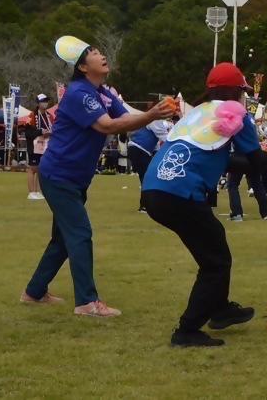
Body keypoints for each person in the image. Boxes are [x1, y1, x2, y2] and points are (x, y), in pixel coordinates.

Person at [21, 35, 174, 317]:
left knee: (63, 238)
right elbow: (108, 126)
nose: (102, 55)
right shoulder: (80, 93)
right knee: (79, 233)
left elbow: (128, 115)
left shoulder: (103, 92)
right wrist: (153, 115)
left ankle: (34, 291)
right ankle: (87, 302)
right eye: (94, 53)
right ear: (82, 67)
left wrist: (162, 114)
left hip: (74, 178)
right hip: (60, 175)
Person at [140, 62, 267, 347]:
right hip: (180, 193)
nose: (244, 97)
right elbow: (255, 160)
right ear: (237, 91)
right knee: (216, 262)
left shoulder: (198, 113)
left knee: (214, 244)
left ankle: (220, 307)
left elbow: (223, 158)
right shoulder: (235, 114)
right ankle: (187, 330)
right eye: (243, 91)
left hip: (155, 189)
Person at [126, 111, 169, 212]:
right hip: (139, 149)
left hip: (138, 150)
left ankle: (147, 204)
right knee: (147, 178)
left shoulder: (155, 120)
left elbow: (156, 145)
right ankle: (145, 205)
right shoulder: (156, 119)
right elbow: (164, 136)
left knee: (148, 177)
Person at [27, 93, 54, 201]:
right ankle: (31, 192)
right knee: (32, 168)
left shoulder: (49, 116)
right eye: (43, 101)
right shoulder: (32, 116)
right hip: (34, 145)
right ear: (38, 103)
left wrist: (50, 132)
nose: (45, 103)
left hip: (45, 145)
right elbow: (28, 133)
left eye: (46, 101)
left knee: (40, 168)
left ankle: (37, 191)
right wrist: (39, 131)